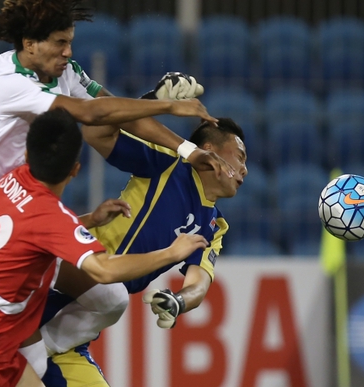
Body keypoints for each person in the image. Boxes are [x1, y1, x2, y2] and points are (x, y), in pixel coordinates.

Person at [0, 0, 233, 379]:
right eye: (60, 43)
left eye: (70, 42)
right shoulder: (7, 84)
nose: (68, 52)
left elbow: (107, 107)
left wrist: (186, 148)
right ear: (30, 43)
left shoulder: (65, 72)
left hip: (22, 210)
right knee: (24, 360)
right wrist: (165, 105)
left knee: (110, 301)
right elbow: (91, 115)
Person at [0, 108, 209, 387]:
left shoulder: (10, 180)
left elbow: (33, 230)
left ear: (28, 156)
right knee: (45, 354)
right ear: (75, 170)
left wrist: (89, 220)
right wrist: (171, 253)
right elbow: (104, 269)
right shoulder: (53, 216)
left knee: (37, 363)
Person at [39, 116, 248, 386]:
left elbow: (199, 284)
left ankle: (32, 350)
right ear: (209, 149)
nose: (244, 169)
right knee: (113, 296)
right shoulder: (169, 162)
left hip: (82, 322)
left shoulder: (214, 227)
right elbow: (96, 130)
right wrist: (153, 99)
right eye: (240, 156)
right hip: (63, 284)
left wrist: (179, 301)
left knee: (113, 297)